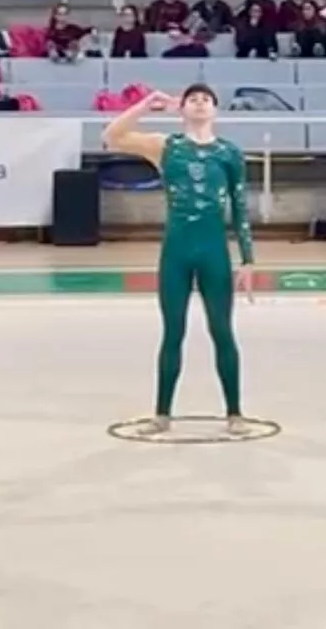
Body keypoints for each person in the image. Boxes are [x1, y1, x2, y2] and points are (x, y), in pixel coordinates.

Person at [102, 84, 256, 435]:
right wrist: (144, 105)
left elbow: (240, 206)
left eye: (207, 100)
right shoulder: (166, 147)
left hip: (214, 251)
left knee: (222, 331)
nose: (200, 103)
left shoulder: (229, 153)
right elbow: (112, 135)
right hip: (176, 252)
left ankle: (235, 412)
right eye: (193, 99)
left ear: (216, 110)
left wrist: (247, 259)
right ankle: (162, 414)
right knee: (173, 332)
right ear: (181, 109)